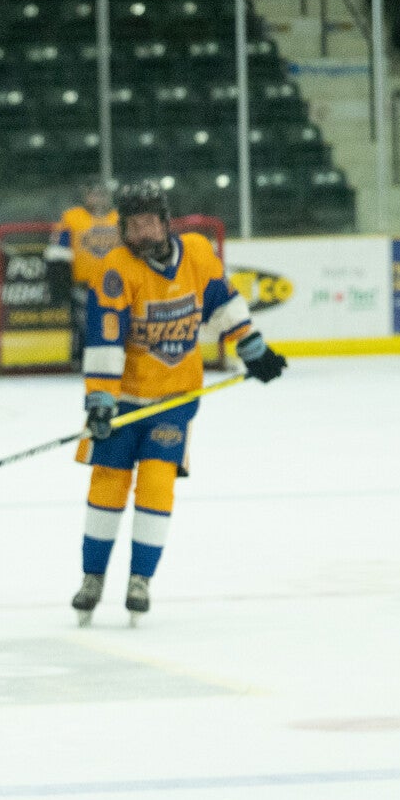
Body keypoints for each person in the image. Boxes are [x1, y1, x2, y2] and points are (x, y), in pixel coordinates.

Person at [73, 180, 286, 626]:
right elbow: (106, 339)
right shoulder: (114, 270)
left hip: (175, 398)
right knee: (108, 484)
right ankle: (93, 578)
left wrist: (254, 350)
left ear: (165, 222)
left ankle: (140, 580)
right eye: (133, 226)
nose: (142, 233)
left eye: (149, 223)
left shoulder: (198, 253)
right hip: (124, 401)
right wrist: (100, 401)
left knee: (156, 482)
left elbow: (224, 304)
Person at [46, 180, 120, 369]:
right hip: (83, 285)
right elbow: (58, 251)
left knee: (115, 324)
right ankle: (81, 359)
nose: (98, 198)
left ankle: (113, 360)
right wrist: (60, 283)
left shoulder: (119, 218)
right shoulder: (72, 217)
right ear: (86, 196)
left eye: (102, 194)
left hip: (116, 285)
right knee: (84, 324)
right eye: (93, 194)